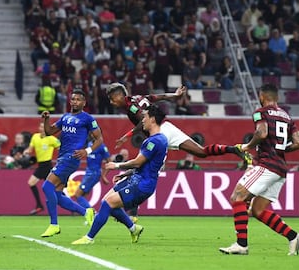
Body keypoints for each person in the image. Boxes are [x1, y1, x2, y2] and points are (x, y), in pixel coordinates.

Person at [106, 82, 252, 220]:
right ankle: (234, 148)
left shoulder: (130, 106)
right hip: (168, 127)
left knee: (143, 167)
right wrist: (174, 95)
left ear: (119, 95)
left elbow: (142, 120)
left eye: (112, 99)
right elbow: (158, 97)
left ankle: (132, 211)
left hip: (159, 134)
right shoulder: (138, 98)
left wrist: (126, 136)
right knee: (201, 152)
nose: (112, 102)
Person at [219, 83, 299, 255]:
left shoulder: (260, 112)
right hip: (281, 169)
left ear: (262, 96)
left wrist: (248, 145)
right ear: (276, 97)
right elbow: (297, 142)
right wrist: (281, 149)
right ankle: (293, 236)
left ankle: (241, 244)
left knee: (237, 196)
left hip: (267, 165)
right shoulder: (287, 117)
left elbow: (261, 133)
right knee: (258, 210)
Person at [71, 104, 168, 244]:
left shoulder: (155, 141)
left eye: (145, 117)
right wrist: (125, 175)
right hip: (136, 178)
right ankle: (134, 228)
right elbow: (144, 165)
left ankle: (89, 238)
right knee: (107, 201)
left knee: (108, 203)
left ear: (152, 119)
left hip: (142, 184)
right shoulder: (158, 139)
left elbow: (138, 162)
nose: (143, 120)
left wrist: (116, 166)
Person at [40, 89, 103, 237]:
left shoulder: (87, 118)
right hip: (62, 157)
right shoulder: (65, 117)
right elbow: (49, 132)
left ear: (84, 103)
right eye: (73, 99)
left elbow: (99, 139)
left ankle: (54, 224)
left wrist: (87, 151)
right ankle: (86, 211)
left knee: (46, 186)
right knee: (57, 194)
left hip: (71, 157)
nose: (75, 101)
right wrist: (46, 120)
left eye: (78, 99)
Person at [23, 122, 61, 215]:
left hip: (47, 165)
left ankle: (40, 206)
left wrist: (62, 159)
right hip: (41, 165)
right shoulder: (35, 137)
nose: (42, 128)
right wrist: (26, 151)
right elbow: (30, 148)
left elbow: (61, 147)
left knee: (34, 183)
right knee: (50, 188)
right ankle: (40, 205)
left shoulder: (51, 139)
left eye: (44, 127)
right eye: (40, 126)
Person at [73, 139, 111, 209]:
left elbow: (110, 162)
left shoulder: (102, 147)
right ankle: (88, 215)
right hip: (88, 172)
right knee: (83, 195)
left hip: (94, 173)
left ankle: (92, 214)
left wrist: (104, 175)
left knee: (78, 194)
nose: (92, 135)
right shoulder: (90, 143)